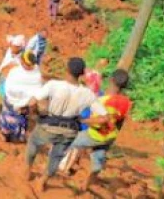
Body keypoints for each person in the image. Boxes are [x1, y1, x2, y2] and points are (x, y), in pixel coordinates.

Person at [24, 57, 107, 192]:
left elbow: (32, 102)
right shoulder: (88, 94)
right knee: (56, 156)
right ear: (81, 75)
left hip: (48, 125)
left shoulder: (54, 85)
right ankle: (43, 181)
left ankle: (28, 170)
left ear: (66, 70)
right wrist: (83, 121)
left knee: (33, 142)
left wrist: (36, 113)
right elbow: (104, 118)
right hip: (69, 130)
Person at [60, 69, 132, 192]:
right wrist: (113, 136)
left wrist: (82, 121)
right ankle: (87, 185)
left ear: (111, 80)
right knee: (98, 159)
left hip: (95, 135)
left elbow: (100, 121)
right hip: (109, 137)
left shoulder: (104, 100)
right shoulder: (126, 102)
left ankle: (58, 176)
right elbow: (121, 121)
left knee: (67, 141)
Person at [0, 50, 44, 142]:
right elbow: (37, 92)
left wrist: (16, 98)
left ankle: (5, 134)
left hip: (11, 102)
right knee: (21, 119)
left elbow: (9, 88)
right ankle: (18, 136)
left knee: (7, 115)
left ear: (23, 62)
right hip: (25, 106)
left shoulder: (15, 72)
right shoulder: (37, 74)